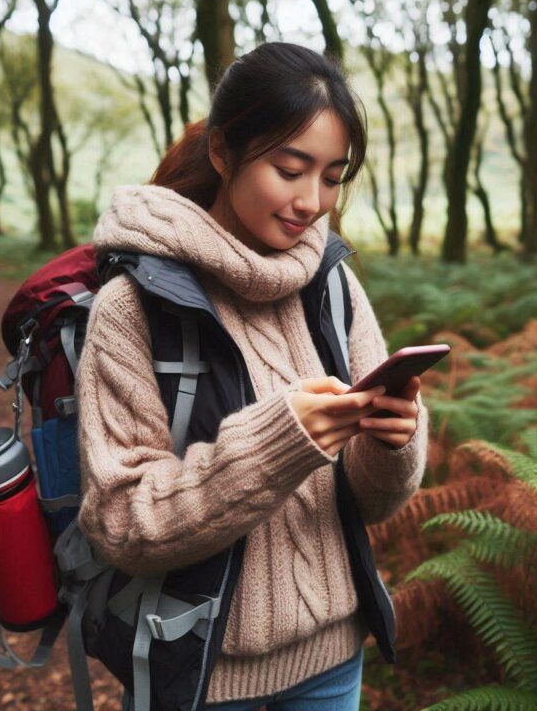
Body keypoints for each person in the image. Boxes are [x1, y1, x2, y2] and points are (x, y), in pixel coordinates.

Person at [76, 42, 428, 711]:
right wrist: (279, 441)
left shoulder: (333, 287)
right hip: (197, 671)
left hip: (333, 662)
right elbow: (121, 521)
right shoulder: (135, 307)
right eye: (290, 169)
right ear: (223, 153)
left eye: (332, 175)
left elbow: (377, 504)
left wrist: (393, 440)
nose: (312, 202)